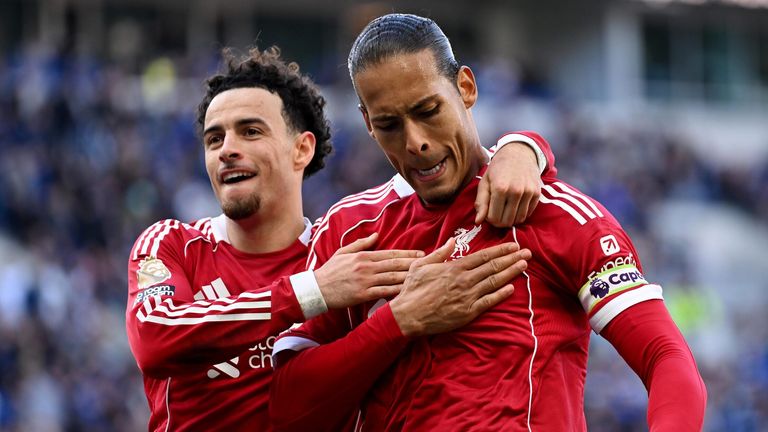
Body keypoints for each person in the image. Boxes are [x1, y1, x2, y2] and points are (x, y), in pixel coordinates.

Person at [270, 14, 707, 432]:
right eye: (388, 125)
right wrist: (398, 322)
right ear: (366, 123)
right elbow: (287, 410)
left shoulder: (557, 214)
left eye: (428, 111)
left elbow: (666, 357)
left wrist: (525, 147)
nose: (416, 141)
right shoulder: (350, 230)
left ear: (465, 87)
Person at [125, 46, 550, 430]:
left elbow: (455, 177)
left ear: (302, 149)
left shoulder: (348, 252)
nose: (227, 149)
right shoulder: (172, 243)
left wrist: (524, 149)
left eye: (250, 132)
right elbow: (153, 338)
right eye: (214, 138)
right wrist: (313, 291)